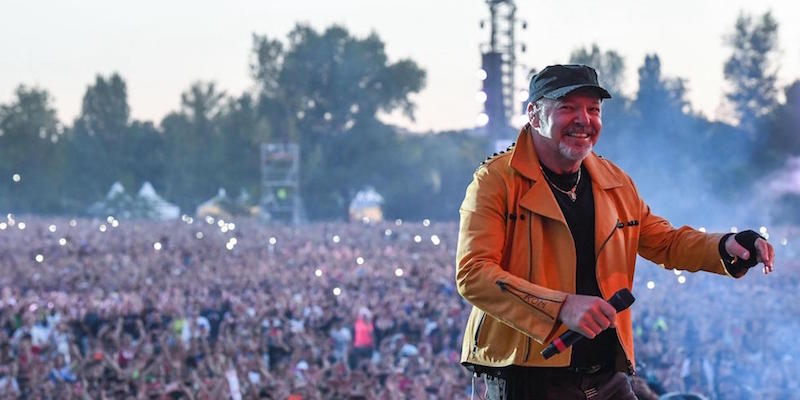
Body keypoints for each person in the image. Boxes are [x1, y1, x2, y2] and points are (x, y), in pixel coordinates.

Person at [455, 64, 775, 399]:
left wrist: (725, 245)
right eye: (568, 107)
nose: (584, 119)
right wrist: (562, 307)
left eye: (593, 110)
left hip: (607, 374)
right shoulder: (495, 181)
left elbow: (665, 241)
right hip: (527, 376)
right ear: (534, 115)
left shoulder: (614, 182)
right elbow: (474, 273)